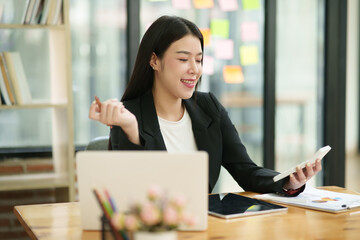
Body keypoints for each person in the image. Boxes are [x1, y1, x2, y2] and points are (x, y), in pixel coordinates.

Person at [89, 15, 322, 195]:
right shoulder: (127, 114)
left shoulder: (208, 107)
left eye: (199, 60)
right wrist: (130, 129)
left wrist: (289, 181)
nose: (195, 69)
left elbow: (246, 170)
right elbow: (133, 192)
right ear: (154, 60)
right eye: (183, 59)